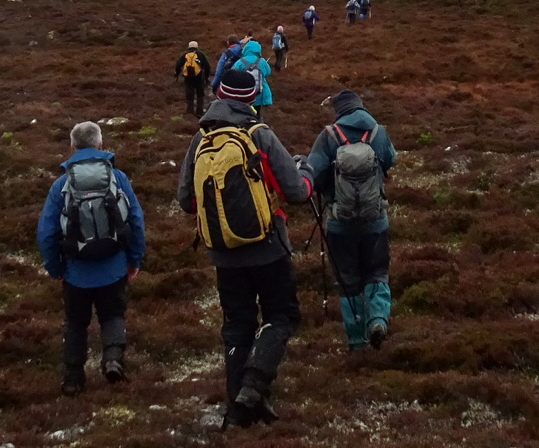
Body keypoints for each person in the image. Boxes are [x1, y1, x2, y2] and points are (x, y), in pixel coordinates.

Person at [176, 69, 313, 428]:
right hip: (268, 247)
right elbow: (296, 192)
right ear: (253, 97)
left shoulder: (200, 140)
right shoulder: (260, 134)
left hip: (223, 253)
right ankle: (254, 385)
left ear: (219, 95)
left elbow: (186, 201)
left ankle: (237, 412)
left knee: (237, 326)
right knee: (281, 317)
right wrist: (307, 175)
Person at [37, 121, 147, 395]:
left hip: (75, 271)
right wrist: (133, 260)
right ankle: (113, 359)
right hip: (114, 266)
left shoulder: (61, 185)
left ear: (71, 146)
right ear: (100, 145)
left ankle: (74, 378)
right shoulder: (117, 178)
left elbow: (46, 233)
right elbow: (136, 220)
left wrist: (55, 268)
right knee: (112, 315)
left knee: (76, 323)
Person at [304, 89, 397, 351]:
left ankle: (357, 340)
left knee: (347, 280)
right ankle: (377, 319)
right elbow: (390, 160)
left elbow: (314, 172)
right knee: (377, 272)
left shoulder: (328, 135)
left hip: (339, 223)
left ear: (339, 110)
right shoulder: (377, 132)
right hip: (375, 221)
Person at [233, 38, 274, 122]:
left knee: (244, 113)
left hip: (244, 94)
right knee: (258, 114)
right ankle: (258, 126)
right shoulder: (262, 61)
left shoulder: (240, 62)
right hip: (259, 93)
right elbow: (268, 72)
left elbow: (233, 74)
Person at [175, 40, 211, 117]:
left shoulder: (185, 54)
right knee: (200, 95)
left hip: (188, 78)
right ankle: (199, 112)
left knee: (189, 94)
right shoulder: (201, 54)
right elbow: (207, 66)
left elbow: (178, 65)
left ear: (189, 47)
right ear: (197, 47)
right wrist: (206, 77)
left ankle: (190, 112)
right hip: (199, 77)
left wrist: (177, 74)